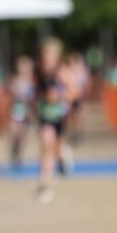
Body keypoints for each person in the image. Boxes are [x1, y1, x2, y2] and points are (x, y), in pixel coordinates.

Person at [33, 37, 73, 203]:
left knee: (56, 148)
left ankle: (63, 156)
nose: (47, 58)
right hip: (45, 116)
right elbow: (36, 94)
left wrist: (59, 97)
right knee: (46, 147)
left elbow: (74, 92)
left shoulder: (61, 72)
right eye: (45, 54)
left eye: (51, 54)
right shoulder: (38, 72)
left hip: (59, 116)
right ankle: (45, 184)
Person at [6, 55, 35, 167]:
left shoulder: (31, 82)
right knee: (15, 134)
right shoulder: (14, 80)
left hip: (26, 112)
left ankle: (18, 155)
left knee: (22, 136)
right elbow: (8, 95)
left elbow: (33, 99)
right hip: (15, 111)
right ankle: (14, 151)